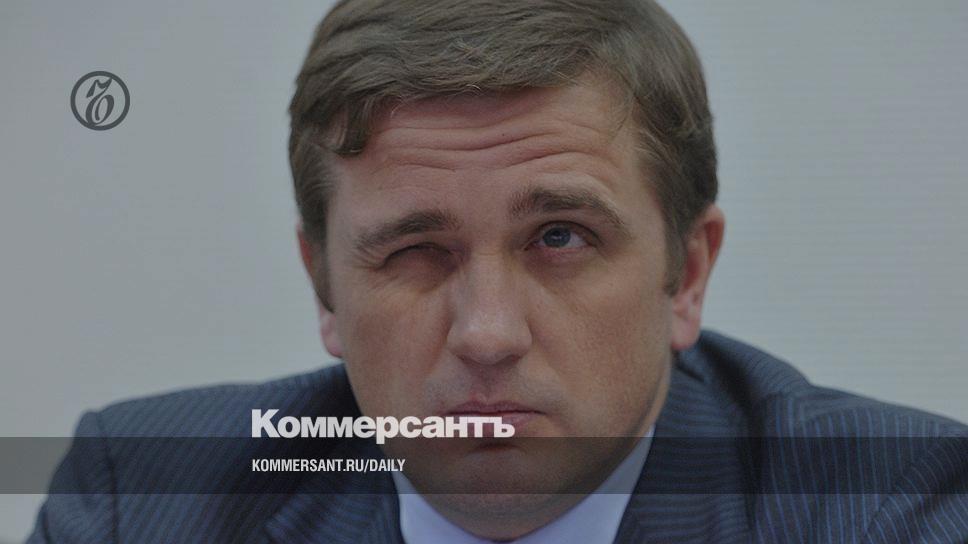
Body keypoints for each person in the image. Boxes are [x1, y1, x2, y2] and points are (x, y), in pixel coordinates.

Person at [29, 0, 968, 542]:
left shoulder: (889, 504)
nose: (487, 334)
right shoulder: (143, 498)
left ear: (686, 274)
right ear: (325, 289)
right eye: (414, 251)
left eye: (560, 237)